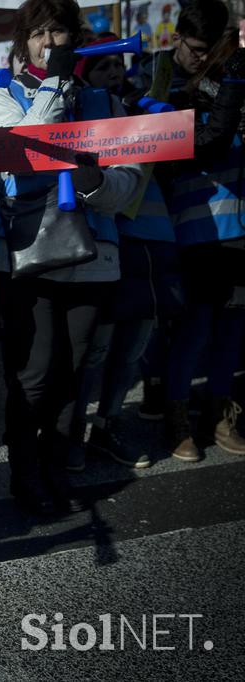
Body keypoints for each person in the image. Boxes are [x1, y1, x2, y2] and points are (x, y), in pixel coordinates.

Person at [0, 0, 142, 515]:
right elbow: (25, 154)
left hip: (93, 254)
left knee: (73, 374)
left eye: (60, 33)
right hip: (27, 255)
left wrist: (96, 181)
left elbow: (128, 182)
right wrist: (54, 82)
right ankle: (24, 474)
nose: (50, 43)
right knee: (33, 373)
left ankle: (54, 467)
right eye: (40, 33)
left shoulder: (105, 102)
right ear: (23, 40)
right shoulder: (0, 95)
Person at [65, 37, 184, 470]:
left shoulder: (143, 110)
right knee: (97, 349)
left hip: (152, 240)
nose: (114, 72)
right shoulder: (83, 113)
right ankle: (75, 430)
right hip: (111, 242)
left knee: (132, 346)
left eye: (118, 64)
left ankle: (108, 424)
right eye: (102, 67)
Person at [151, 3, 245, 459]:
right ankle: (176, 418)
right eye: (198, 50)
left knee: (233, 326)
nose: (205, 59)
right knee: (196, 327)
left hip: (240, 226)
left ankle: (219, 414)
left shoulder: (228, 77)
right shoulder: (163, 86)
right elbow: (203, 144)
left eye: (215, 51)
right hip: (196, 225)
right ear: (178, 39)